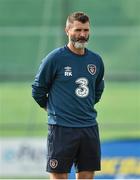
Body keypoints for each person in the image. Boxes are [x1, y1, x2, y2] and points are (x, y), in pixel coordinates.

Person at [32, 11, 105, 179]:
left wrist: (84, 107)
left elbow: (98, 90)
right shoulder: (55, 59)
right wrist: (51, 108)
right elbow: (38, 90)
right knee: (59, 176)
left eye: (86, 30)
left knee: (87, 175)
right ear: (67, 31)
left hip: (88, 127)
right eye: (78, 30)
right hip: (61, 129)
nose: (82, 35)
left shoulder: (96, 60)